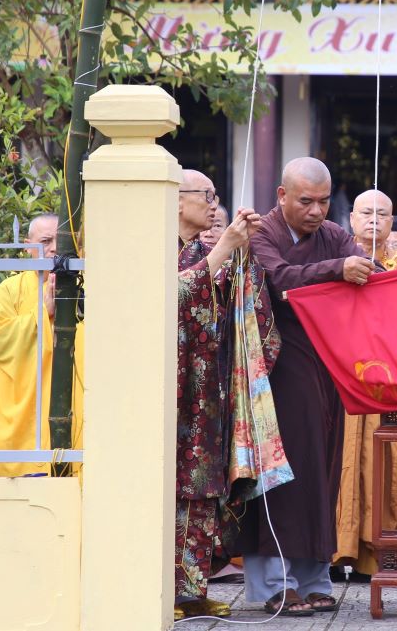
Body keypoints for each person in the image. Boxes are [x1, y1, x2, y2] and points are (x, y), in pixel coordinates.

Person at [238, 156, 375, 616]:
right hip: (275, 367)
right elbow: (276, 279)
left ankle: (316, 575)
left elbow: (358, 273)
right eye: (305, 201)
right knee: (281, 473)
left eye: (323, 202)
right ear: (282, 196)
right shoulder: (262, 233)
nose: (317, 211)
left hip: (325, 366)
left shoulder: (333, 236)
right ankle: (277, 582)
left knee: (321, 469)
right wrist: (336, 272)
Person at [175, 169, 269, 620]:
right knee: (172, 490)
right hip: (171, 389)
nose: (214, 204)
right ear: (176, 200)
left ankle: (192, 590)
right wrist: (224, 248)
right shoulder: (154, 245)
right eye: (206, 195)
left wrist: (243, 253)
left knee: (205, 490)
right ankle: (165, 588)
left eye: (216, 195)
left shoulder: (200, 248)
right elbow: (169, 295)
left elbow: (239, 300)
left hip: (210, 387)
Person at [333, 189, 397, 578]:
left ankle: (377, 553)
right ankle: (332, 553)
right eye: (365, 213)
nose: (373, 220)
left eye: (382, 214)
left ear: (392, 222)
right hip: (341, 378)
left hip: (386, 382)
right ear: (350, 219)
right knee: (337, 461)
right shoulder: (334, 262)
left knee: (384, 460)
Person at [0, 214, 85, 478]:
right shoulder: (9, 290)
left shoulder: (83, 286)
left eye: (60, 241)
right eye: (45, 241)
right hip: (25, 413)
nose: (54, 248)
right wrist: (44, 313)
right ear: (28, 246)